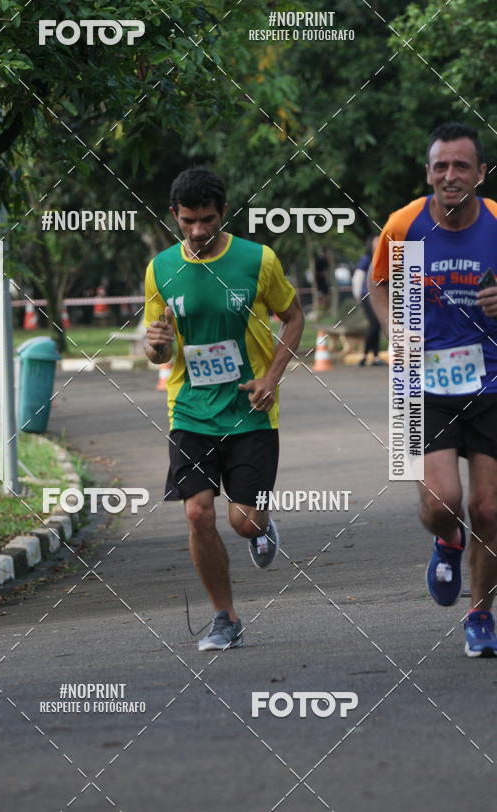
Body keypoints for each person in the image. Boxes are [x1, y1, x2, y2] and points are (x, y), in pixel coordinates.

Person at [143, 168, 304, 651]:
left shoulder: (258, 260)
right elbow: (160, 351)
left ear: (224, 213)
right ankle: (224, 618)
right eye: (188, 220)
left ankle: (261, 527)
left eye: (207, 219)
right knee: (197, 513)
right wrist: (155, 345)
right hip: (190, 410)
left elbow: (294, 317)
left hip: (250, 409)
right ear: (174, 215)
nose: (197, 231)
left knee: (244, 521)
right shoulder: (160, 268)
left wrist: (272, 378)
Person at [369, 122, 497, 657]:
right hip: (423, 381)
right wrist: (396, 328)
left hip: (492, 380)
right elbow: (379, 285)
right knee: (444, 502)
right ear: (428, 173)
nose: (450, 175)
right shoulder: (407, 226)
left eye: (461, 166)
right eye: (441, 166)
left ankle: (480, 614)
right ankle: (446, 539)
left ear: (480, 173)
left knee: (489, 511)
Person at [352, 235, 384, 366]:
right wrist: (358, 297)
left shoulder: (383, 258)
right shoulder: (366, 259)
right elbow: (357, 278)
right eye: (375, 242)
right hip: (367, 296)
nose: (378, 244)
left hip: (378, 297)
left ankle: (375, 356)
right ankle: (364, 355)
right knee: (374, 324)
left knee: (377, 326)